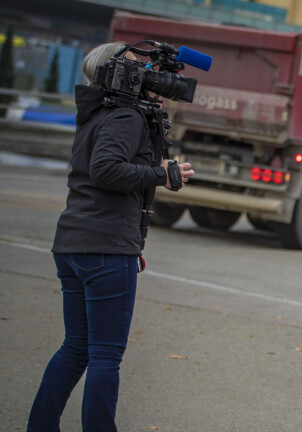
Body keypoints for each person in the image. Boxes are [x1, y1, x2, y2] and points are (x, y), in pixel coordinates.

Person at [27, 41, 195, 431]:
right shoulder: (126, 117)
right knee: (104, 355)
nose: (148, 78)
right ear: (117, 74)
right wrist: (161, 174)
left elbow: (105, 166)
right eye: (138, 70)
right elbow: (105, 170)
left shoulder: (95, 112)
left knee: (76, 349)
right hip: (105, 247)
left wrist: (155, 166)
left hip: (74, 242)